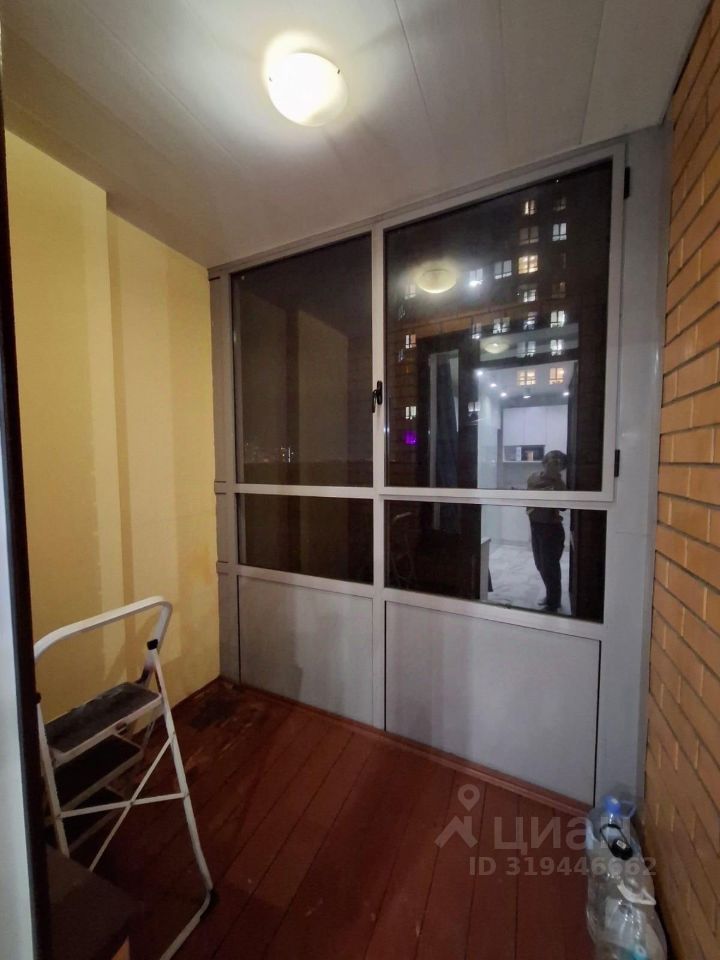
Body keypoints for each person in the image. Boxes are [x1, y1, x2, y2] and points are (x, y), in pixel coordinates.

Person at [526, 450, 567, 613]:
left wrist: (556, 483)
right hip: (535, 526)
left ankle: (553, 603)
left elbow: (563, 507)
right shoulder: (533, 477)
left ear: (562, 467)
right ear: (544, 462)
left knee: (550, 567)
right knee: (540, 565)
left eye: (559, 463)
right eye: (552, 461)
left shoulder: (559, 484)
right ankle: (551, 596)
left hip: (551, 530)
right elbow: (528, 497)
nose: (555, 465)